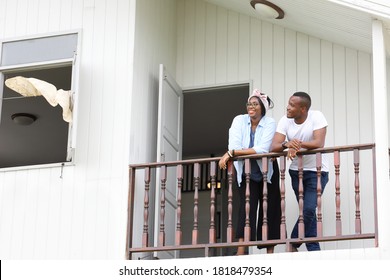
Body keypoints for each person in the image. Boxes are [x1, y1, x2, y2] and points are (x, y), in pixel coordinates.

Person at [218, 89, 281, 255]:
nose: (251, 107)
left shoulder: (270, 122)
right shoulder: (239, 120)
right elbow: (234, 146)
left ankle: (269, 251)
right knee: (247, 208)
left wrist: (233, 153)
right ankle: (241, 250)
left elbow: (263, 149)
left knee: (270, 209)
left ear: (262, 108)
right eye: (249, 104)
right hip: (246, 173)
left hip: (268, 172)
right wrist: (234, 151)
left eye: (255, 104)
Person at [270, 91, 329, 251]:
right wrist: (286, 144)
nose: (287, 108)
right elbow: (274, 146)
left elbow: (319, 142)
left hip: (317, 171)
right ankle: (314, 251)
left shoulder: (316, 116)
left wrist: (296, 143)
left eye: (292, 105)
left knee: (309, 210)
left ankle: (293, 243)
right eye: (288, 104)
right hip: (296, 172)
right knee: (308, 213)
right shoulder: (285, 121)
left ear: (303, 109)